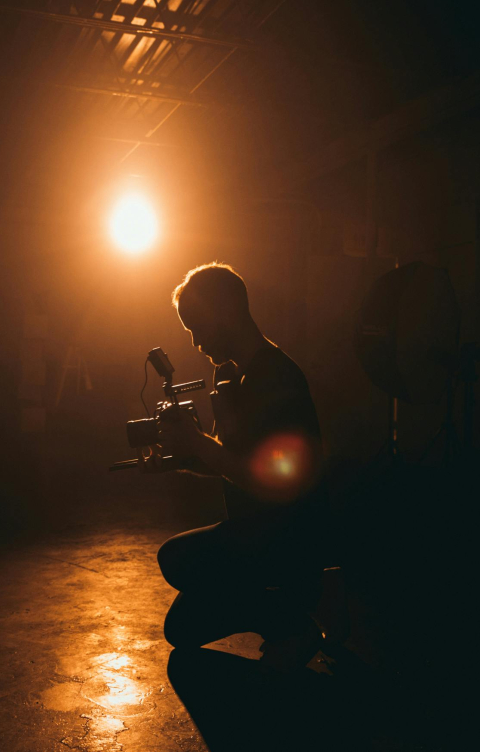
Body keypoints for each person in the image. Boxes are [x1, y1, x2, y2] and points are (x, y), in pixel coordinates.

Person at [141, 262, 331, 670]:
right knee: (182, 630)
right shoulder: (229, 376)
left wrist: (196, 444)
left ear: (226, 310)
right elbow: (231, 463)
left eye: (196, 326)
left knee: (174, 559)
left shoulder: (276, 376)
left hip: (289, 535)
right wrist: (181, 458)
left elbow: (272, 481)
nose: (194, 341)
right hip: (255, 533)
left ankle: (296, 621)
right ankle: (286, 612)